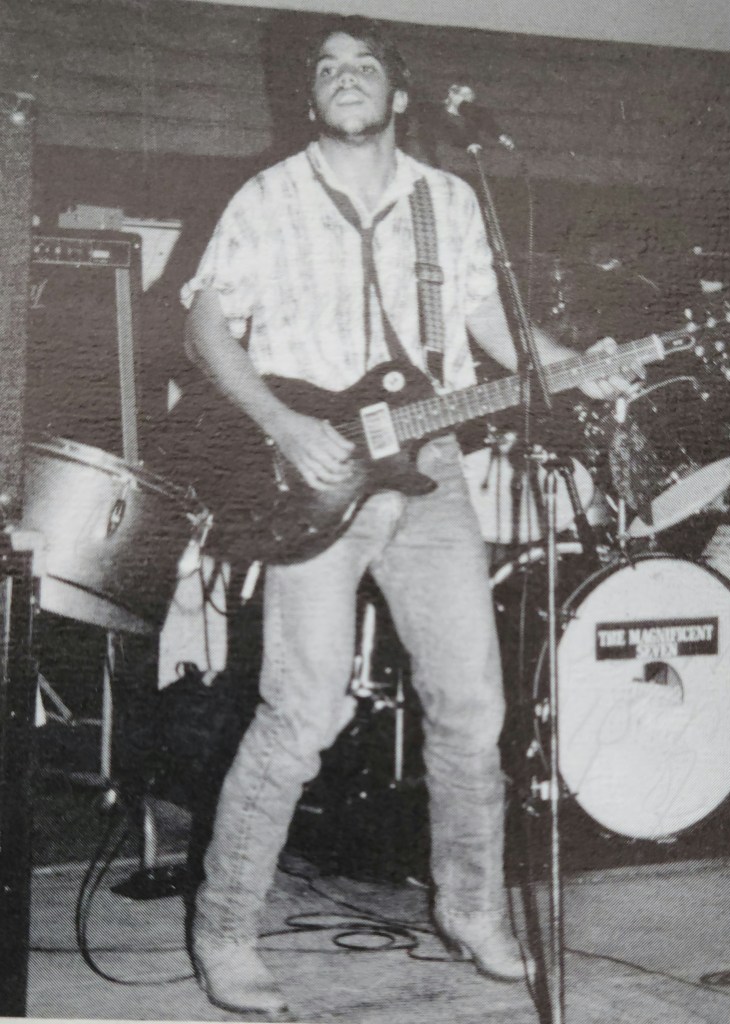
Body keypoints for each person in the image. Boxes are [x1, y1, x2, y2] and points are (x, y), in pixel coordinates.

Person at [181, 16, 627, 1015]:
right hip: (313, 473)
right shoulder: (268, 195)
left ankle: (470, 907)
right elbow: (207, 321)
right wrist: (284, 422)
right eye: (326, 68)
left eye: (364, 66)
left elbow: (485, 322)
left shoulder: (448, 199)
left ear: (398, 94)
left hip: (430, 473)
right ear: (309, 98)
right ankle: (225, 928)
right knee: (303, 710)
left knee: (472, 707)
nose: (345, 78)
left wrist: (573, 368)